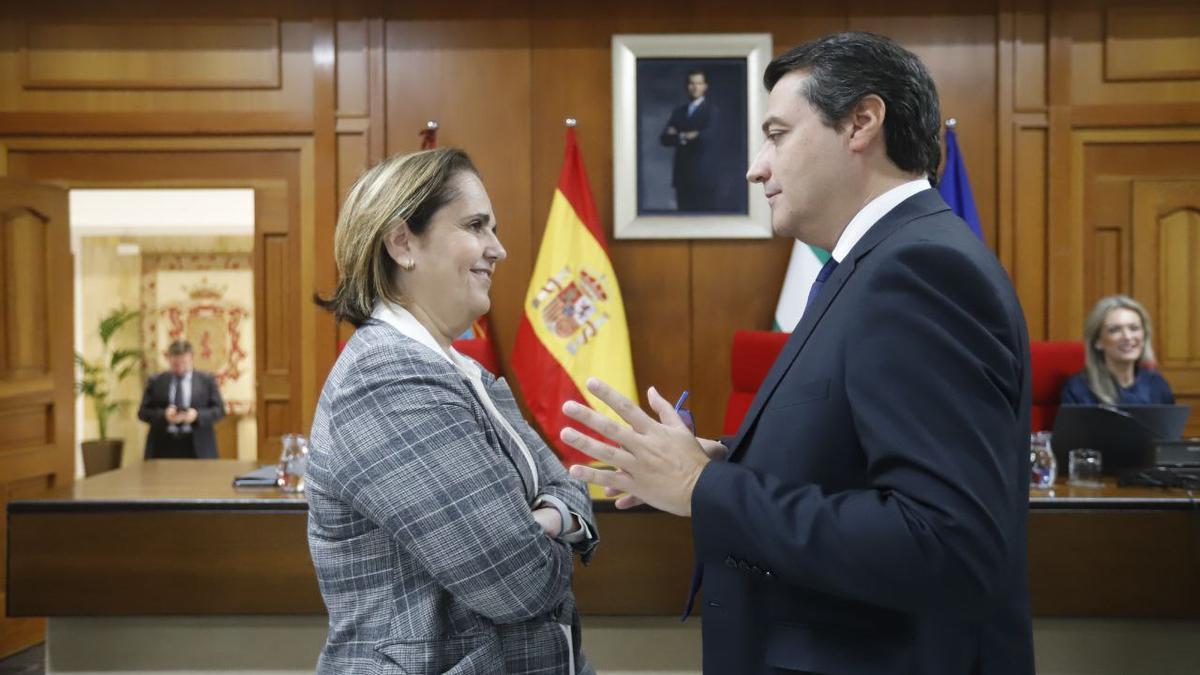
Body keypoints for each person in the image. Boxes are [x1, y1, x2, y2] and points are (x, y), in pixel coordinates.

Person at [561, 32, 1034, 675]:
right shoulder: (871, 264)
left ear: (861, 123)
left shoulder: (919, 270)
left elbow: (942, 541)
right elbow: (857, 453)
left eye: (778, 134)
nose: (757, 166)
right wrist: (725, 458)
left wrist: (705, 488)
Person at [308, 148, 598, 674]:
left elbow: (569, 483)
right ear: (402, 243)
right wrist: (557, 524)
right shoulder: (385, 381)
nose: (499, 249)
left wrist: (548, 516)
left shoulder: (459, 370)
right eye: (475, 226)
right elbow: (518, 580)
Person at [1061, 295, 1174, 405]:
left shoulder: (1157, 385)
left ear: (1144, 337)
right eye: (1115, 330)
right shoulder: (1078, 389)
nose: (1127, 337)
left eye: (1134, 328)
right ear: (1097, 341)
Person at [137, 340, 225, 459]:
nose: (180, 368)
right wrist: (164, 415)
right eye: (175, 364)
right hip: (163, 446)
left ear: (192, 358)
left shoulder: (207, 380)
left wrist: (196, 416)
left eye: (184, 363)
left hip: (199, 447)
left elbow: (219, 411)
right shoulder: (156, 381)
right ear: (168, 359)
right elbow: (143, 413)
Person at [659, 69, 720, 211]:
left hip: (703, 177)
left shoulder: (712, 110)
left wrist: (679, 134)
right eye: (692, 83)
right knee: (683, 219)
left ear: (705, 86)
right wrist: (688, 135)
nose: (695, 87)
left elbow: (709, 136)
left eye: (699, 83)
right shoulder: (679, 111)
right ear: (687, 86)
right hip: (682, 176)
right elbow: (664, 138)